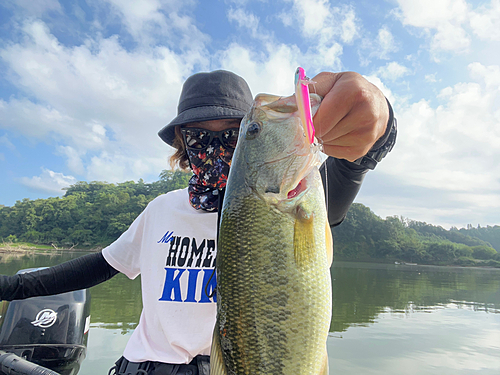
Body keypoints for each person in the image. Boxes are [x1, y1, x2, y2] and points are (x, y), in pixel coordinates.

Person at [0, 69, 396, 375]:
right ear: (183, 146)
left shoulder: (296, 198)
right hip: (144, 367)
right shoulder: (161, 210)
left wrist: (377, 116)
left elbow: (361, 158)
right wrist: (12, 286)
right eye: (198, 136)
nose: (214, 147)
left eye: (234, 133)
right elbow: (99, 266)